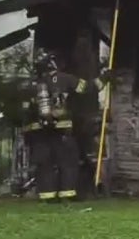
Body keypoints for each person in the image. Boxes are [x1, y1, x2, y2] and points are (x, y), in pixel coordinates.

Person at [23, 51, 112, 203]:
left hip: (39, 131)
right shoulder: (66, 79)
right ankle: (67, 194)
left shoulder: (32, 84)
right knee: (68, 162)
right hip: (61, 128)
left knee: (45, 164)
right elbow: (87, 88)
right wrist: (105, 77)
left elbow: (25, 110)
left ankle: (47, 196)